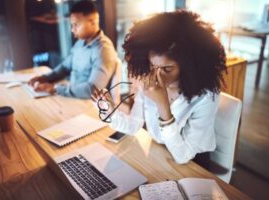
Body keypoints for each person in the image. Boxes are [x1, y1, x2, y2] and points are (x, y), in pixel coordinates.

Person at [92, 10, 227, 165]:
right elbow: (134, 125)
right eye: (152, 66)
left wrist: (163, 105)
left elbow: (183, 156)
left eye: (167, 69)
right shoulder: (147, 82)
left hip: (193, 163)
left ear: (188, 66)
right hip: (159, 153)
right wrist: (110, 112)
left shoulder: (205, 96)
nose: (157, 76)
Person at [29, 0, 118, 98]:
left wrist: (55, 88)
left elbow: (93, 89)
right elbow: (64, 67)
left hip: (90, 104)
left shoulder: (104, 50)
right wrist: (44, 78)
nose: (72, 29)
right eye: (72, 25)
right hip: (72, 96)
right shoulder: (80, 43)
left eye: (76, 25)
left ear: (92, 22)